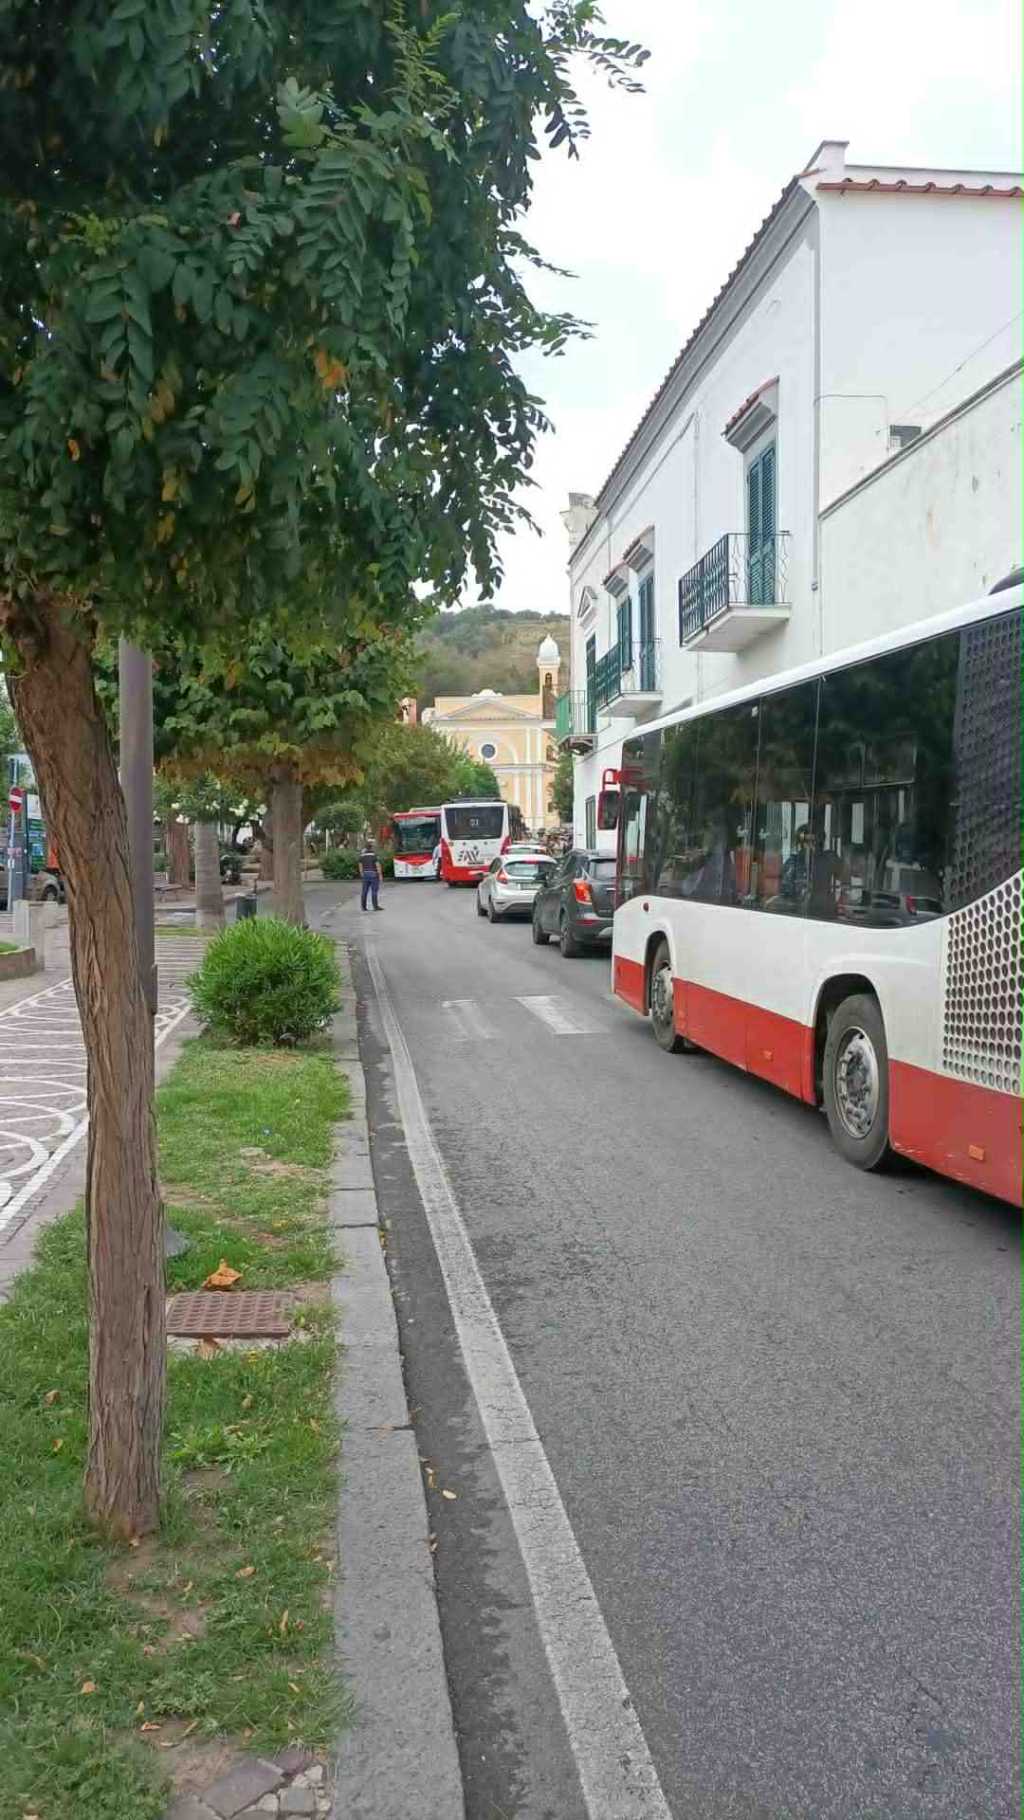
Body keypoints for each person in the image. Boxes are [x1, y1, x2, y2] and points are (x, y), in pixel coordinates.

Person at [360, 841, 384, 912]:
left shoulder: (362, 856)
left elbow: (360, 865)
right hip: (374, 874)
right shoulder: (374, 855)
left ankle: (363, 907)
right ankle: (375, 907)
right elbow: (377, 865)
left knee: (364, 891)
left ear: (365, 848)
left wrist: (362, 873)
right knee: (374, 891)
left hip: (365, 874)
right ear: (371, 847)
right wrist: (380, 875)